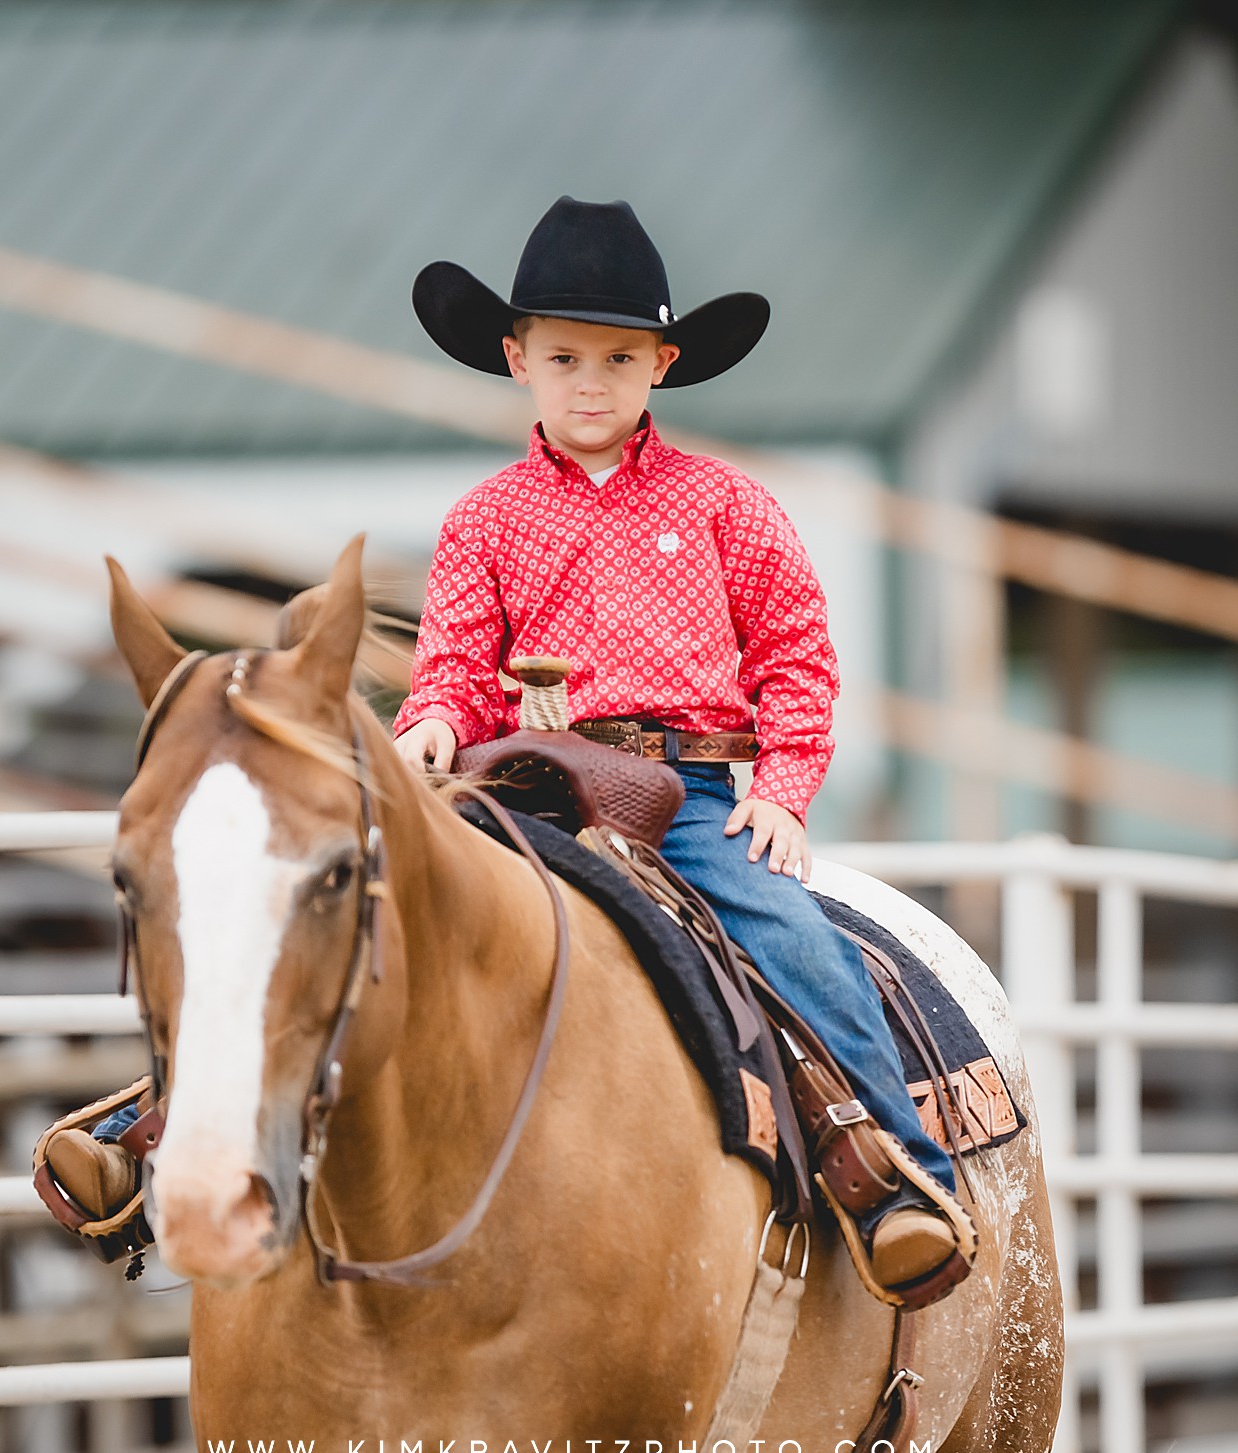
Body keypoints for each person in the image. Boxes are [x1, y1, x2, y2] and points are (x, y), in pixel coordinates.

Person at [395, 197, 973, 1303]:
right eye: (564, 355)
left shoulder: (728, 506)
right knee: (368, 895)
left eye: (619, 356)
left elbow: (797, 660)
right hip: (525, 782)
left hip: (685, 793)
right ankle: (163, 1125)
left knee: (796, 937)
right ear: (518, 359)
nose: (591, 381)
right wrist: (429, 723)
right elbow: (458, 673)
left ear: (663, 362)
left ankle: (901, 1180)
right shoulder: (483, 520)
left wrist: (786, 793)